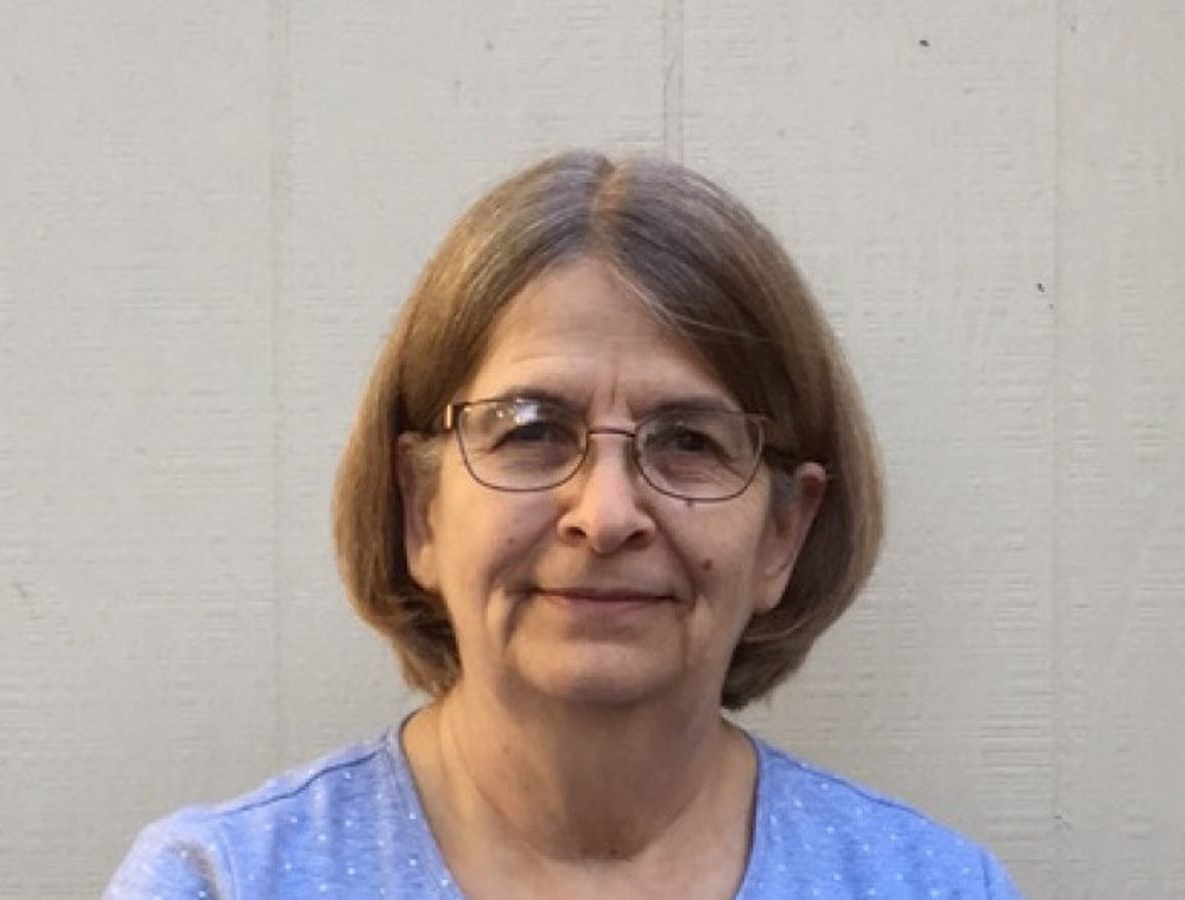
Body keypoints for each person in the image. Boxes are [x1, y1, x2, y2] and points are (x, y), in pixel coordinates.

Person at [107, 151, 1023, 898]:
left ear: (785, 533)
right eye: (533, 431)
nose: (607, 515)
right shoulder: (225, 884)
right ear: (420, 508)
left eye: (689, 441)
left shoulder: (932, 888)